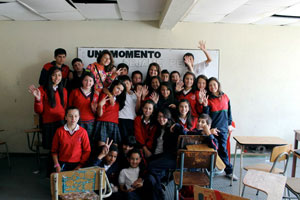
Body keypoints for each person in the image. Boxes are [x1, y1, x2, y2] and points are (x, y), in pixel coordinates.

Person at [203, 77, 238, 181]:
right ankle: (210, 170)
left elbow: (229, 113)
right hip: (212, 130)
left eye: (214, 84)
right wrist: (205, 105)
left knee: (223, 150)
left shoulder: (225, 97)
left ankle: (229, 171)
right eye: (210, 85)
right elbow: (206, 116)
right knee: (212, 150)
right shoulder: (208, 99)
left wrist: (229, 126)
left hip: (223, 130)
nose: (212, 87)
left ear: (218, 85)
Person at [29, 67, 67, 150]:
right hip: (48, 123)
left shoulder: (64, 90)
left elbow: (65, 108)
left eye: (59, 75)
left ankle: (59, 162)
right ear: (50, 76)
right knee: (51, 147)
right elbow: (39, 111)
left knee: (62, 146)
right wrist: (38, 99)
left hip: (61, 122)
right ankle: (53, 162)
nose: (57, 78)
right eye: (54, 75)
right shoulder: (41, 90)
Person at [143, 109, 178, 200]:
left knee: (150, 166)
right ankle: (160, 194)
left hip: (169, 158)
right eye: (159, 117)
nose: (161, 119)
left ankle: (159, 193)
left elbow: (184, 134)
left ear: (168, 117)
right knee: (152, 177)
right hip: (158, 157)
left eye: (163, 117)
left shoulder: (172, 128)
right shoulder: (157, 128)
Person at [51, 106, 91, 172]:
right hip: (62, 163)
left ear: (79, 117)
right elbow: (54, 151)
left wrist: (80, 165)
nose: (73, 118)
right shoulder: (59, 131)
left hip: (78, 164)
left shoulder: (83, 132)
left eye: (76, 116)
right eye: (70, 116)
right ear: (66, 117)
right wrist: (57, 165)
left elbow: (87, 151)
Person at [94, 80, 126, 146]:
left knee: (114, 149)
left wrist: (111, 96)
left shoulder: (119, 99)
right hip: (103, 123)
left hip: (114, 125)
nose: (118, 91)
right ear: (113, 86)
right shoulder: (105, 95)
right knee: (102, 148)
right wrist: (100, 105)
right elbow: (100, 115)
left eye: (121, 91)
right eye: (118, 88)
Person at [68, 72, 98, 142]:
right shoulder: (75, 92)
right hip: (76, 122)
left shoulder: (96, 94)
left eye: (90, 80)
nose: (88, 83)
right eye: (85, 80)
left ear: (93, 82)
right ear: (82, 81)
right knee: (76, 142)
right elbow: (69, 107)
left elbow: (98, 112)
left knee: (88, 142)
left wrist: (94, 109)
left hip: (91, 122)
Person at [118, 75, 142, 142]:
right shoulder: (120, 93)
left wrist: (139, 98)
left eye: (127, 83)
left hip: (132, 119)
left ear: (131, 83)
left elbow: (137, 110)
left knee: (131, 140)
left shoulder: (134, 94)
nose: (126, 85)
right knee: (122, 139)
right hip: (121, 118)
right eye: (123, 84)